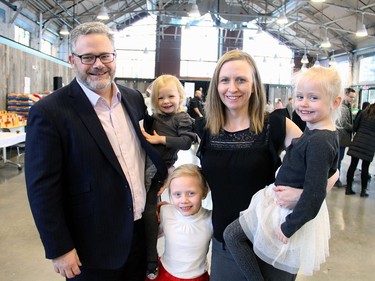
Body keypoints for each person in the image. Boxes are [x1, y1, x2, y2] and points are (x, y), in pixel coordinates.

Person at [24, 22, 167, 281]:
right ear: (72, 60)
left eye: (104, 55)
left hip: (137, 235)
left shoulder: (133, 98)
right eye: (87, 57)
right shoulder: (49, 112)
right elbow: (42, 188)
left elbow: (141, 154)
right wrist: (60, 248)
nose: (98, 64)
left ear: (114, 56)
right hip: (90, 246)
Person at [194, 49, 306, 281]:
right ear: (216, 86)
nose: (232, 88)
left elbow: (328, 167)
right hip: (226, 243)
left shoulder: (276, 125)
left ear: (254, 85)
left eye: (241, 80)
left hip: (272, 242)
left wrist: (303, 195)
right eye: (225, 80)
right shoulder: (204, 128)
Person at [224, 66, 342, 279]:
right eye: (300, 96)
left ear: (335, 102)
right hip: (279, 202)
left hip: (286, 213)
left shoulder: (320, 141)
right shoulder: (316, 130)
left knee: (233, 236)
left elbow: (315, 193)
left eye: (313, 98)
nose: (303, 103)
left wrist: (290, 226)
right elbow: (331, 170)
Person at [141, 74, 196, 279]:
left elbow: (186, 142)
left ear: (180, 97)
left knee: (148, 211)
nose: (166, 102)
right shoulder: (154, 118)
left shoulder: (182, 118)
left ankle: (151, 259)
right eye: (161, 98)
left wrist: (160, 139)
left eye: (170, 97)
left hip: (158, 169)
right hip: (144, 164)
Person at [146, 164, 212, 281]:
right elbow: (150, 236)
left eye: (191, 193)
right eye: (177, 194)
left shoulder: (210, 219)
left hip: (197, 277)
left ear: (204, 192)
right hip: (165, 274)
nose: (184, 200)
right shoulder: (165, 211)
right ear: (170, 194)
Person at [345, 103, 375, 197]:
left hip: (358, 141)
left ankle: (348, 188)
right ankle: (363, 191)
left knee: (353, 165)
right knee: (365, 168)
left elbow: (355, 127)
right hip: (370, 144)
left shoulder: (362, 113)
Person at [335, 87, 357, 187]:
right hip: (341, 138)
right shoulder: (343, 107)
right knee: (338, 160)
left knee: (338, 159)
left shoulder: (346, 106)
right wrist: (354, 128)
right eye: (351, 97)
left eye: (354, 98)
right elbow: (343, 123)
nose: (352, 99)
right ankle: (336, 179)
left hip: (341, 138)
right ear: (345, 94)